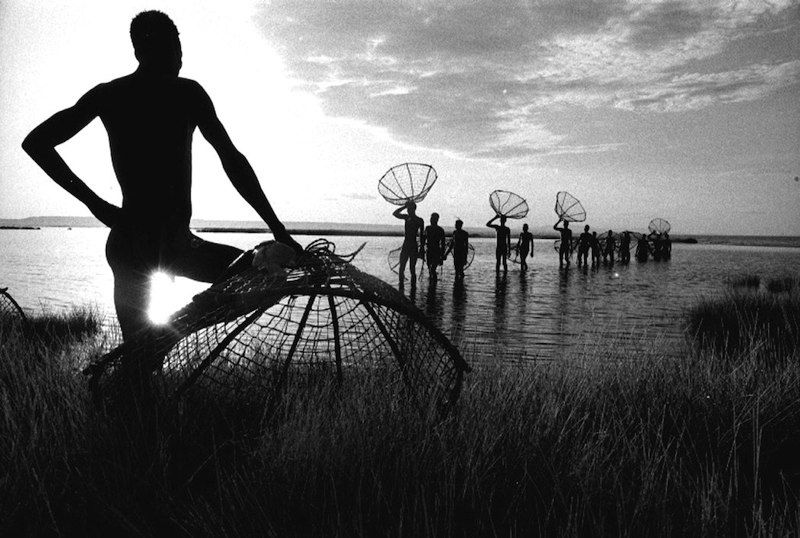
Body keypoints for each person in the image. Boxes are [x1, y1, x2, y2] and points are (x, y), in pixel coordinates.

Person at [21, 11, 300, 348]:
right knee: (139, 361)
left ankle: (168, 336)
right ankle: (160, 344)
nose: (179, 59)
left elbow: (232, 160)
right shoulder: (116, 95)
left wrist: (277, 228)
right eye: (170, 50)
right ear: (142, 53)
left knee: (261, 276)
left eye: (179, 50)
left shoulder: (186, 94)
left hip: (175, 244)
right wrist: (96, 204)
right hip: (135, 246)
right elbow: (36, 142)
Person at [393, 201, 425, 286]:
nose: (407, 211)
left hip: (413, 246)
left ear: (413, 209)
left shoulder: (419, 220)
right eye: (407, 209)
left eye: (409, 209)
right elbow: (395, 213)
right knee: (402, 267)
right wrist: (404, 206)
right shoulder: (407, 217)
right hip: (406, 245)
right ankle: (401, 288)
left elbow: (422, 236)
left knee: (412, 269)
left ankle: (413, 290)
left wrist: (421, 249)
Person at [421, 212, 446, 279]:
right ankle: (432, 286)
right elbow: (423, 239)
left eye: (433, 218)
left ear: (437, 220)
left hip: (436, 252)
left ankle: (433, 284)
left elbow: (443, 243)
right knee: (430, 269)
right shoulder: (427, 228)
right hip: (429, 251)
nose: (431, 220)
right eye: (431, 218)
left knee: (432, 269)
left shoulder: (440, 230)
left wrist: (443, 254)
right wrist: (422, 250)